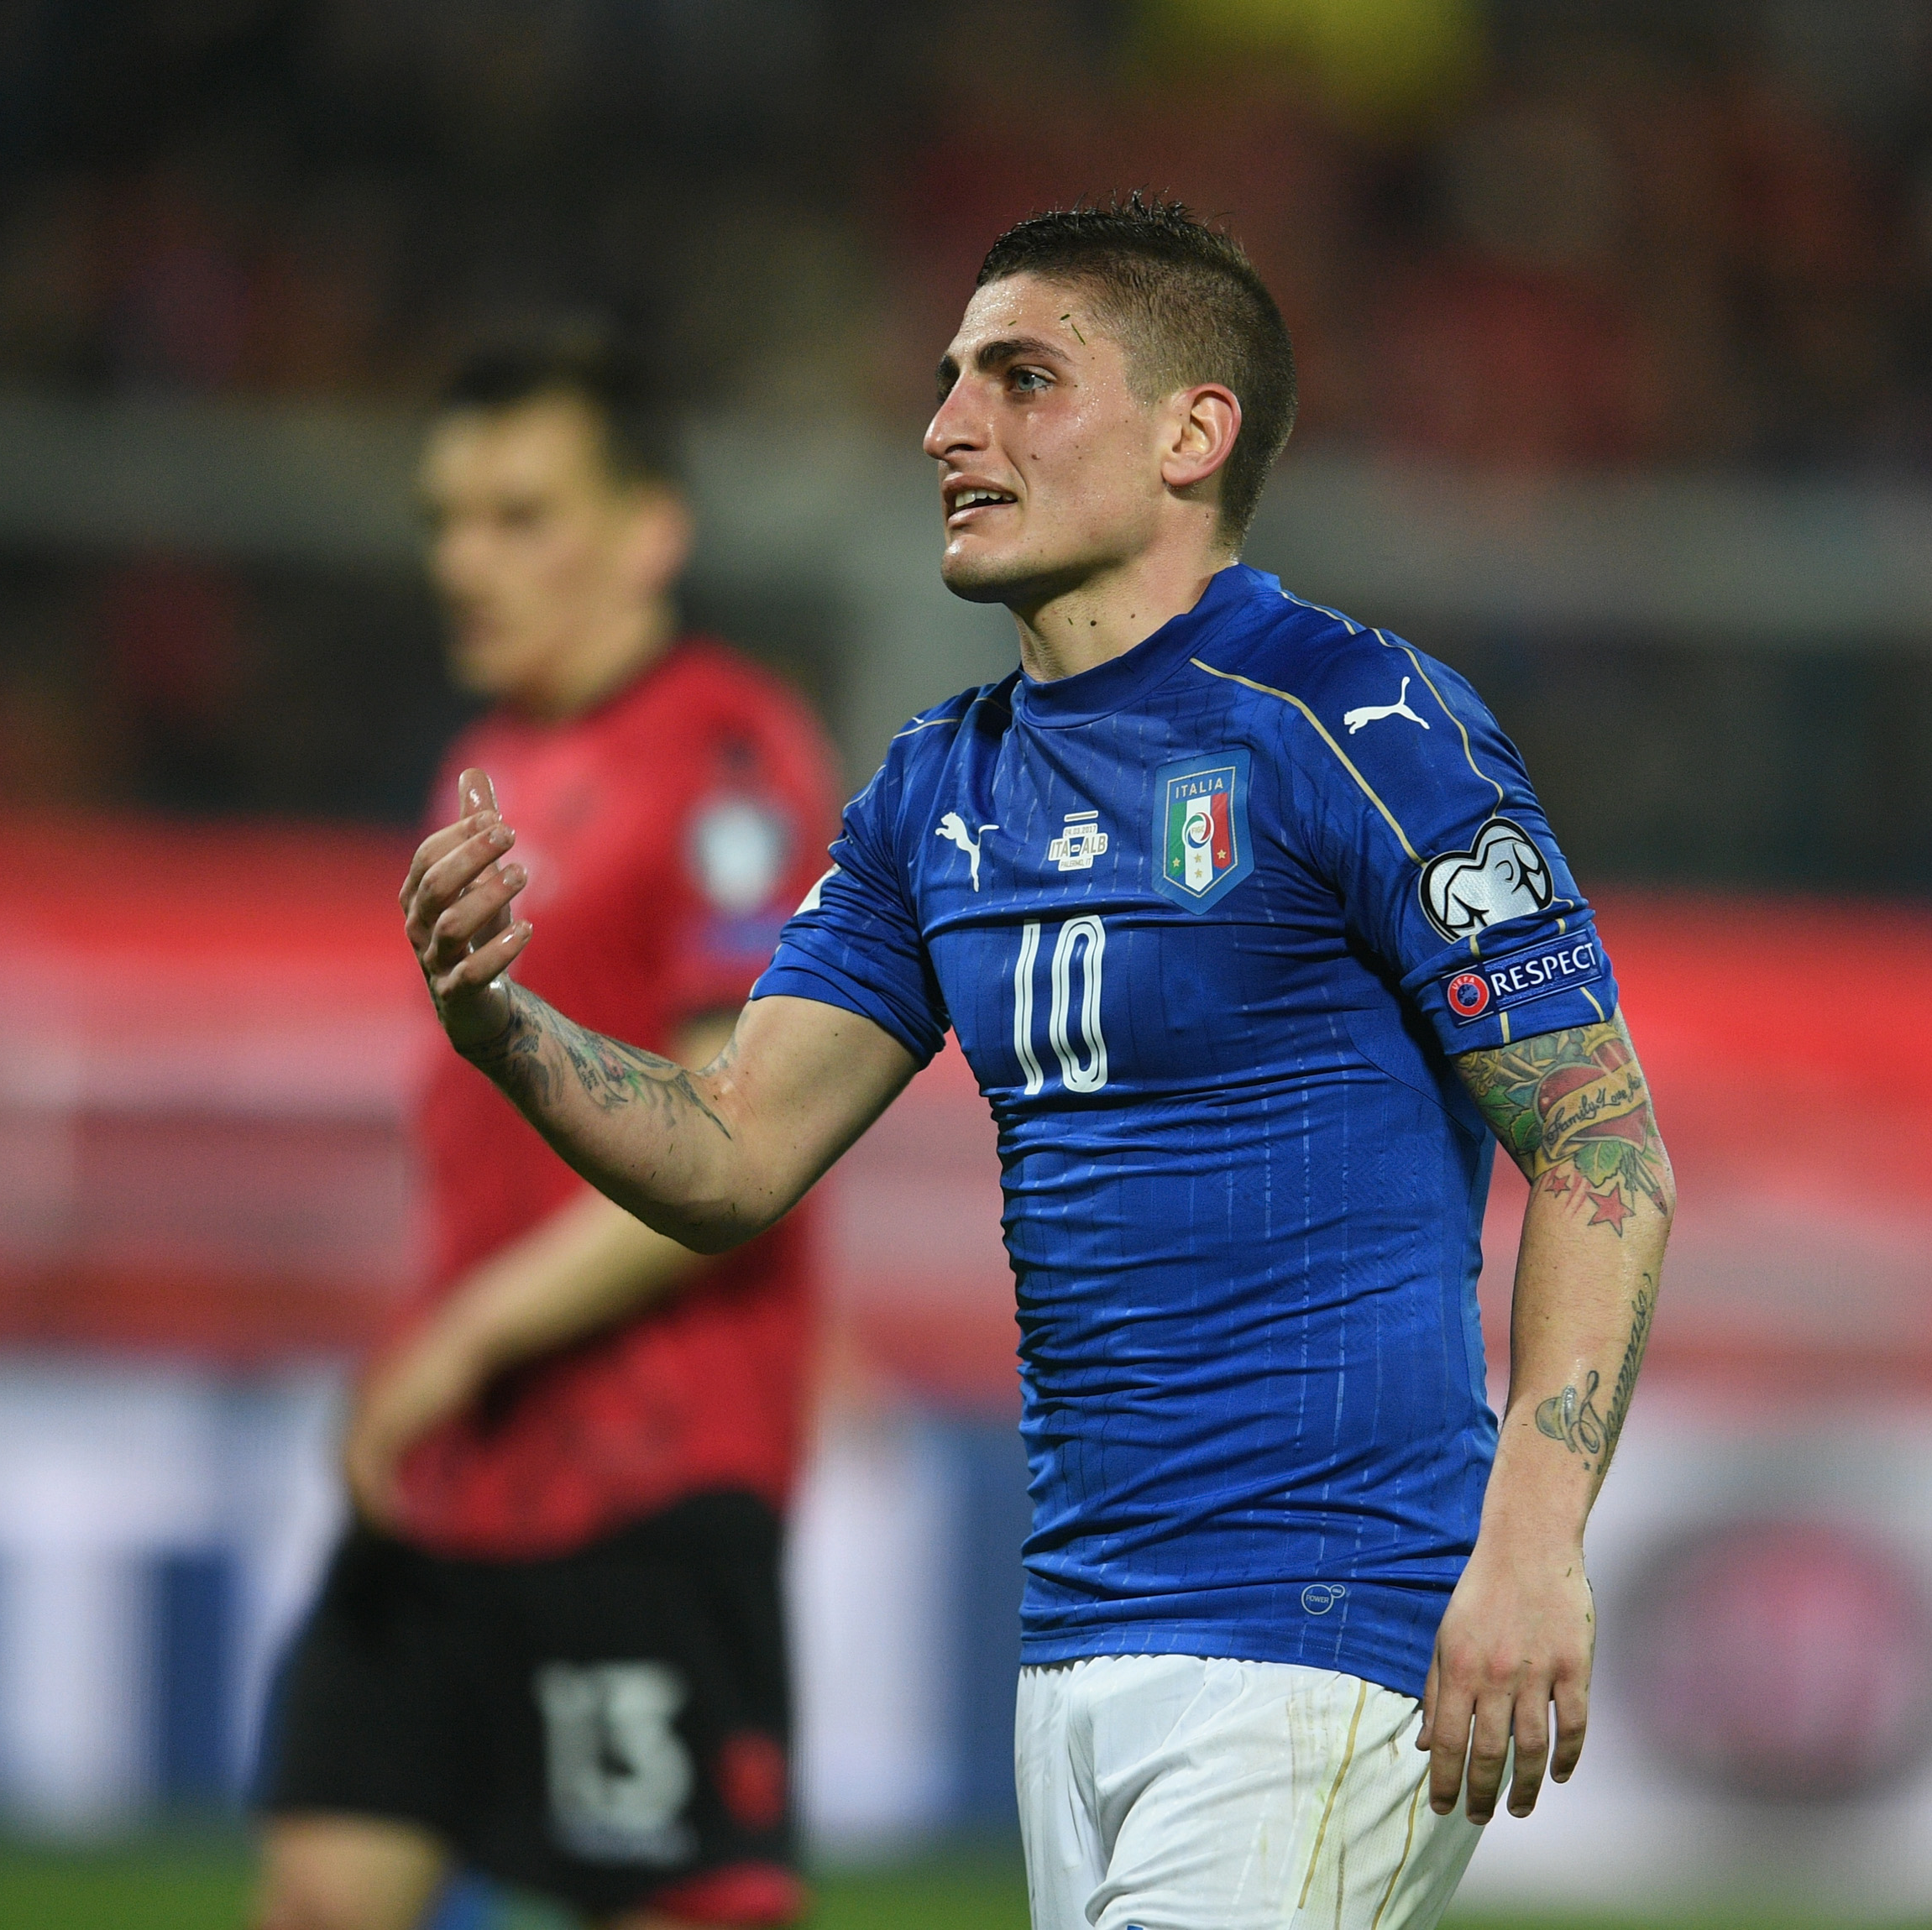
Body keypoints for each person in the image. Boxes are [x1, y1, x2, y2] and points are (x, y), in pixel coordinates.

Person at [404, 199, 1675, 1930]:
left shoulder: (1355, 723)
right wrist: (504, 1024)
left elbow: (1603, 1147)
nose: (948, 427)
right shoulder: (937, 793)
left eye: (1021, 379)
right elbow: (725, 1148)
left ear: (1189, 434)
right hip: (1079, 1649)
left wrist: (1534, 1531)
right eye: (947, 384)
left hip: (1320, 1626)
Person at [257, 338, 839, 1930]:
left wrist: (461, 1335)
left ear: (650, 531)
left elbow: (744, 1126)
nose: (467, 559)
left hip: (648, 1475)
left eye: (523, 515)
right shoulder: (486, 763)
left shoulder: (728, 757)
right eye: (450, 517)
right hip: (464, 1469)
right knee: (319, 1886)